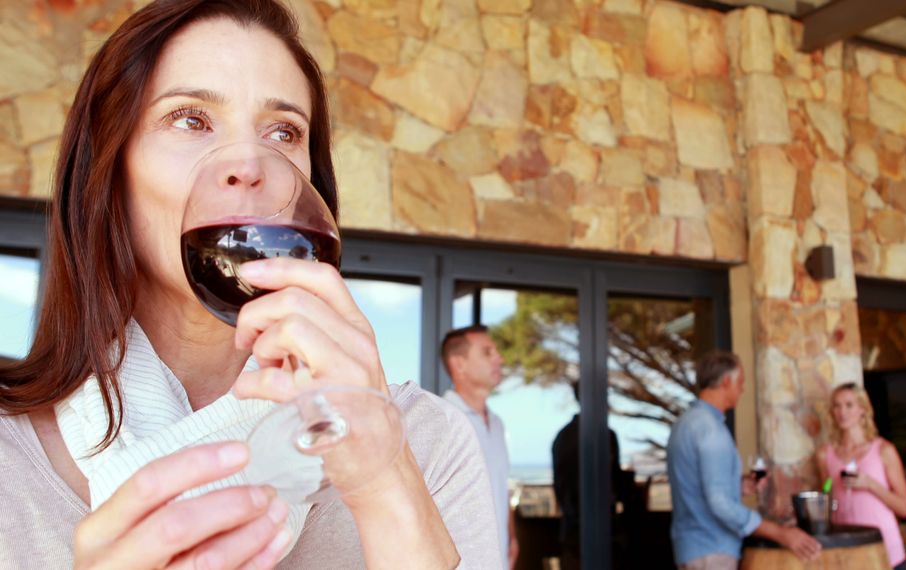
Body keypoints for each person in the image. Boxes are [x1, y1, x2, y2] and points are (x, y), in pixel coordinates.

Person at [0, 0, 501, 567]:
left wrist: (384, 482)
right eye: (191, 119)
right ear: (110, 169)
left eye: (284, 132)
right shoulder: (9, 457)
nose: (250, 164)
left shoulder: (424, 440)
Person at [668, 349, 821, 570]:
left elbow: (696, 486)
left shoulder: (684, 424)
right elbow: (719, 503)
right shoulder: (711, 430)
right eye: (740, 382)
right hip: (712, 552)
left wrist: (738, 485)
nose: (743, 389)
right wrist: (780, 533)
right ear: (727, 382)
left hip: (691, 549)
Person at [441, 325, 518, 569]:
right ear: (459, 364)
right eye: (487, 352)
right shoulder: (441, 420)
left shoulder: (497, 423)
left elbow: (501, 484)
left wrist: (512, 537)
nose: (500, 358)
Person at [816, 382, 906, 569]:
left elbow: (905, 508)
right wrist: (824, 499)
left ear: (862, 409)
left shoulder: (884, 450)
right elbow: (829, 499)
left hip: (884, 551)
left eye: (849, 405)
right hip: (845, 551)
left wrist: (870, 484)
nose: (842, 412)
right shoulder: (824, 454)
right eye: (837, 405)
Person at [551, 381, 641, 570]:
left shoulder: (563, 436)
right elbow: (612, 482)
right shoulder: (603, 435)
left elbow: (561, 486)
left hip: (573, 532)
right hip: (594, 532)